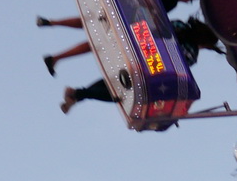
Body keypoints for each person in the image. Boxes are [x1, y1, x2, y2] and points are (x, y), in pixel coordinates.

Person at [40, 0, 200, 75]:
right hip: (128, 17)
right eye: (190, 0)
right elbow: (152, 14)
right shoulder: (171, 1)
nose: (187, 3)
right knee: (97, 43)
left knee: (89, 21)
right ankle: (56, 58)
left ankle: (51, 22)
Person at [59, 17, 225, 113]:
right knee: (120, 94)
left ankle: (77, 95)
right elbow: (174, 69)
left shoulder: (178, 25)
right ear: (205, 44)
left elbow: (156, 28)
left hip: (136, 48)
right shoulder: (192, 55)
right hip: (147, 68)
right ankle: (77, 94)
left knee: (114, 83)